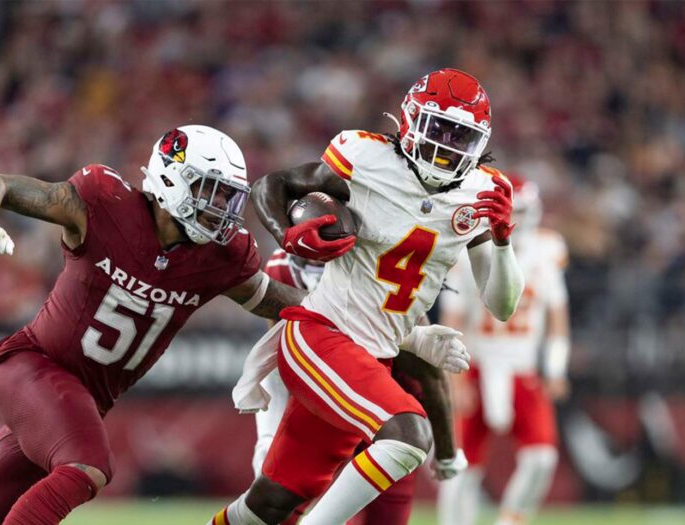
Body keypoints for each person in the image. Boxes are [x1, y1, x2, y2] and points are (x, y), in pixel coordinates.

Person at [0, 125, 306, 525]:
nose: (220, 207)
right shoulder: (103, 202)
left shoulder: (221, 257)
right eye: (210, 190)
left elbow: (277, 300)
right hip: (33, 366)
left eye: (227, 196)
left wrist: (342, 304)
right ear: (171, 178)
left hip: (78, 401)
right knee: (86, 466)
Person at [214, 68, 524, 525]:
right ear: (411, 120)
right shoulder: (366, 157)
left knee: (271, 504)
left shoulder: (481, 191)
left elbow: (501, 305)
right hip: (321, 336)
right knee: (408, 434)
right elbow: (271, 186)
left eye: (461, 136)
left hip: (373, 357)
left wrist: (501, 241)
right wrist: (287, 234)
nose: (447, 145)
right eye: (439, 129)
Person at [253, 249, 466, 525]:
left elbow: (430, 376)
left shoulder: (383, 270)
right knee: (276, 507)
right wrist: (267, 436)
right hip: (325, 406)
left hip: (389, 414)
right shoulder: (283, 267)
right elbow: (279, 356)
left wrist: (447, 450)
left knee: (386, 515)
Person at [437, 175, 569, 525]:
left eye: (523, 213)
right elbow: (453, 319)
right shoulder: (470, 250)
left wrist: (555, 367)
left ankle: (510, 520)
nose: (518, 222)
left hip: (523, 367)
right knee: (459, 463)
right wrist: (455, 378)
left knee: (542, 456)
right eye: (513, 213)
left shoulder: (547, 250)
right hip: (477, 364)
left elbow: (557, 317)